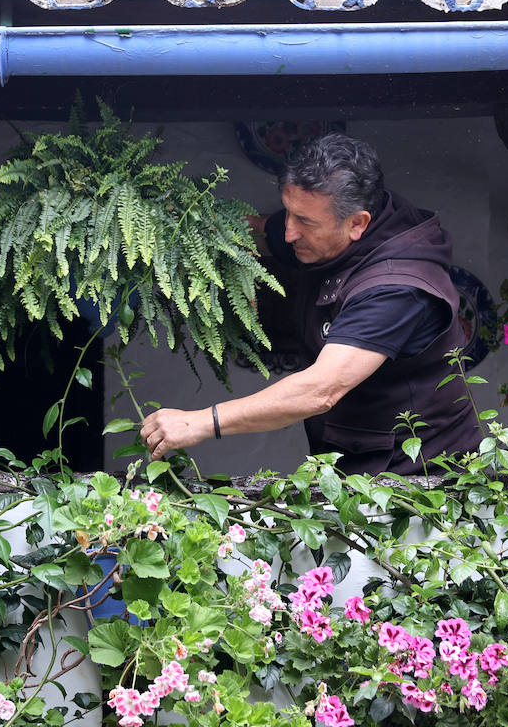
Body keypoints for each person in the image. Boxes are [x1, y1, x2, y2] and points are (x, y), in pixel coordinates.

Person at [140, 132, 482, 476]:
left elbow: (320, 390)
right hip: (355, 462)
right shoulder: (324, 227)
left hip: (422, 480)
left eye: (304, 221)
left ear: (358, 223)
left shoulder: (397, 287)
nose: (288, 232)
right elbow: (256, 231)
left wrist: (201, 422)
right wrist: (160, 226)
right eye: (289, 212)